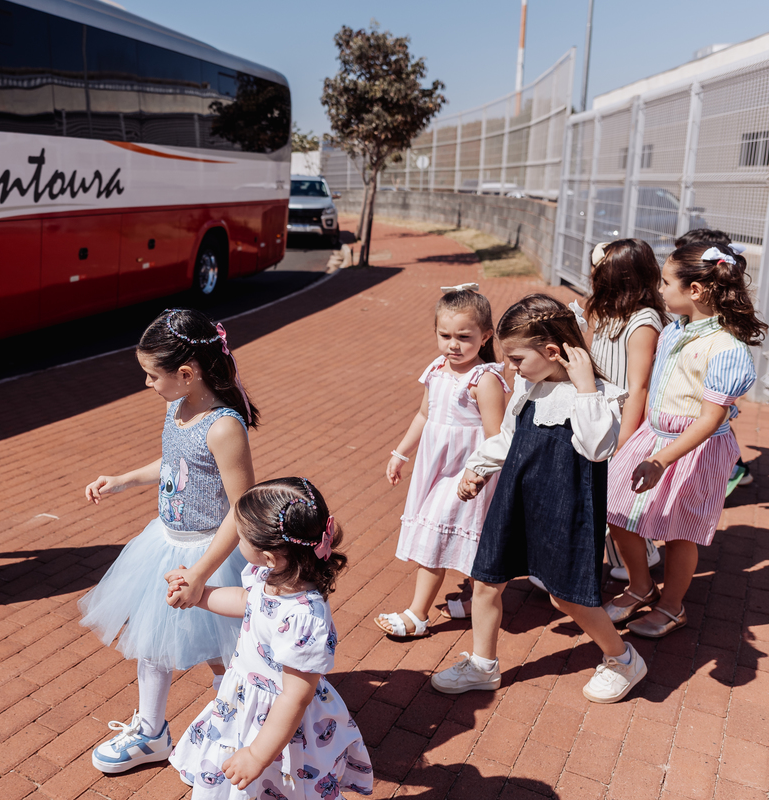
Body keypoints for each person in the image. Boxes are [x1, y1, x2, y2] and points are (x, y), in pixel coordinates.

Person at [432, 294, 647, 704]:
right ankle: (482, 665)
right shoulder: (528, 385)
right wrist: (480, 465)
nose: (509, 368)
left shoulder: (599, 395)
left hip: (565, 507)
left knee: (566, 595)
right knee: (487, 580)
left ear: (552, 351)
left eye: (516, 359)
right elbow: (511, 437)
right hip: (516, 496)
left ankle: (623, 658)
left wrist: (585, 388)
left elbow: (597, 447)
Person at [79, 308, 258, 774]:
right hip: (164, 546)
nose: (146, 385)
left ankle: (232, 735)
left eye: (150, 376)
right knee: (152, 643)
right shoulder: (175, 406)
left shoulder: (224, 426)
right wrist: (123, 479)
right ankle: (151, 731)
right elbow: (174, 465)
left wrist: (200, 574)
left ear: (186, 373)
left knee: (225, 655)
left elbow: (242, 509)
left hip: (209, 555)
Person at [167, 478, 373, 798]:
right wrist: (200, 595)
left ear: (269, 556)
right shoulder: (273, 574)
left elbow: (295, 697)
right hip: (245, 698)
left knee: (280, 787)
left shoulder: (305, 618)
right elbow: (246, 602)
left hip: (279, 723)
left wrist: (257, 754)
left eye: (241, 535)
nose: (236, 538)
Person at [603, 244, 763, 638]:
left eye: (665, 282)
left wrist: (661, 460)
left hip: (694, 450)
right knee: (615, 510)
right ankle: (640, 587)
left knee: (680, 531)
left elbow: (711, 419)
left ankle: (672, 606)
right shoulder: (676, 326)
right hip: (653, 436)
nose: (658, 290)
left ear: (695, 290)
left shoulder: (727, 348)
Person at [376, 284, 508, 636]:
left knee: (440, 535)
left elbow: (496, 438)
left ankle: (418, 614)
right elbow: (423, 415)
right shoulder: (437, 369)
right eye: (445, 334)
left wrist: (477, 474)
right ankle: (477, 600)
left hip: (466, 474)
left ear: (485, 336)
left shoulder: (485, 379)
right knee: (462, 539)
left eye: (463, 337)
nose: (453, 344)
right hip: (435, 470)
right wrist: (400, 453)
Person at [585, 239, 669, 581]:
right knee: (606, 494)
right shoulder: (609, 314)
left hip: (622, 419)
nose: (593, 274)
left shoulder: (643, 321)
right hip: (604, 414)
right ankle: (625, 560)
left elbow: (639, 387)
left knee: (616, 494)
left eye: (600, 269)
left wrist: (625, 440)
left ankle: (639, 558)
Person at [674, 229, 754, 494]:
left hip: (704, 417)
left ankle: (734, 468)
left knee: (717, 420)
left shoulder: (726, 339)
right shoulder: (680, 326)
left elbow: (714, 412)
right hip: (692, 410)